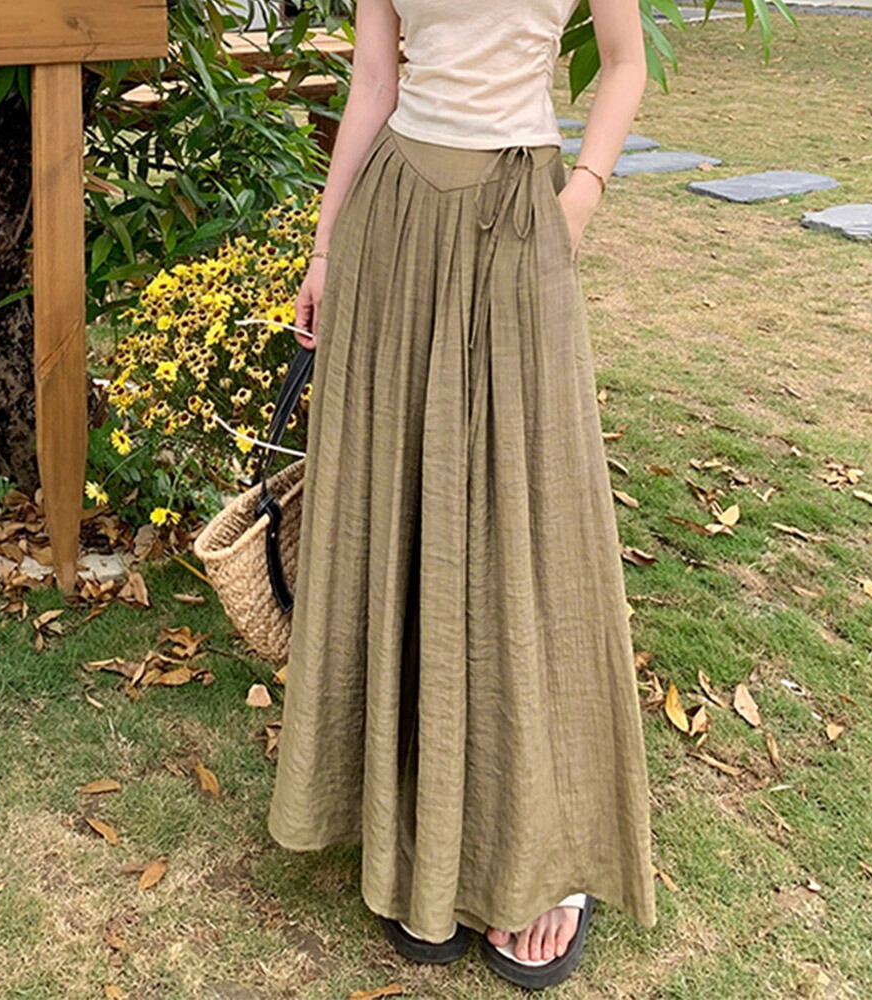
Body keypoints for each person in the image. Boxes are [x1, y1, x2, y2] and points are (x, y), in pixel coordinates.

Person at [267, 0, 657, 989]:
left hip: (517, 215)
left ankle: (544, 850)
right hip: (395, 217)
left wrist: (580, 194)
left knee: (527, 517)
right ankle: (413, 829)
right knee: (401, 510)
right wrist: (325, 249)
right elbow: (374, 78)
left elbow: (624, 63)